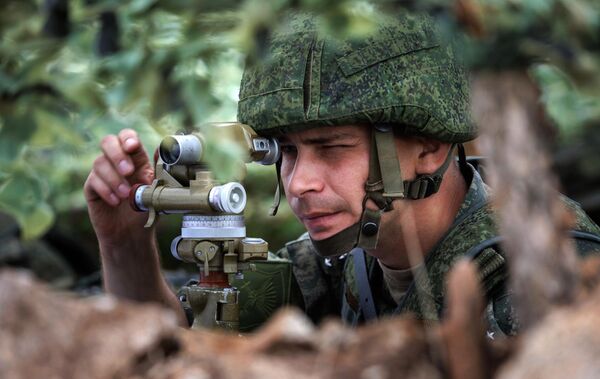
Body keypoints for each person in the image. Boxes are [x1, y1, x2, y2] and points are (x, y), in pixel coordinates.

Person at [84, 12, 600, 335]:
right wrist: (124, 243)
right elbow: (183, 342)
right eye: (286, 151)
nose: (300, 181)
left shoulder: (547, 274)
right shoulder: (341, 260)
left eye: (331, 149)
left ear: (429, 145)